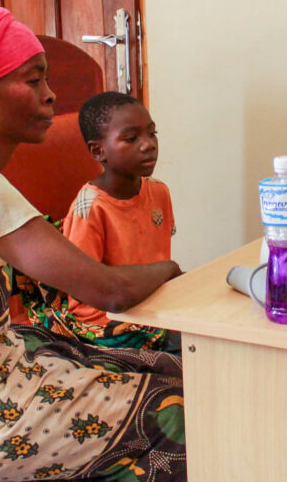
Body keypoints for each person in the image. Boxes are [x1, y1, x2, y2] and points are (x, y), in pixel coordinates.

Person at [0, 8, 186, 481]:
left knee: (151, 361)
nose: (51, 96)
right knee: (178, 410)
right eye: (32, 81)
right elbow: (108, 291)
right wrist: (170, 269)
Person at [27, 91, 178, 351]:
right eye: (131, 138)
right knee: (189, 350)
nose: (148, 144)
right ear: (98, 151)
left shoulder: (159, 191)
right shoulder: (90, 207)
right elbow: (85, 295)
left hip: (151, 299)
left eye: (152, 133)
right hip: (104, 316)